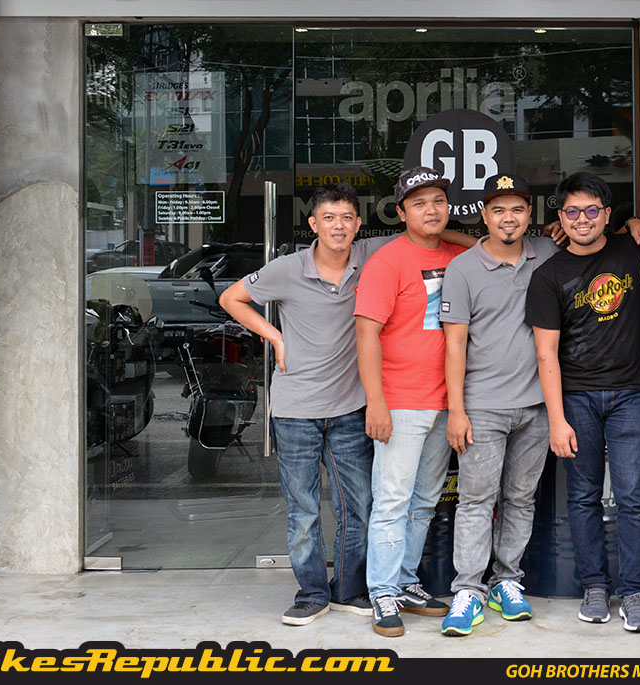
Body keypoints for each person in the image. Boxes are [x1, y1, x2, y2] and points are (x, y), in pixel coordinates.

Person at [215, 183, 378, 627]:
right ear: (314, 224)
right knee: (303, 511)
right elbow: (230, 298)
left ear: (357, 224)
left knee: (358, 507)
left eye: (346, 217)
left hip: (349, 408)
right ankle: (311, 593)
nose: (338, 226)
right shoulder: (287, 269)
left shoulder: (370, 257)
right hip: (295, 411)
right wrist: (274, 336)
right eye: (329, 218)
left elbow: (427, 235)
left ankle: (349, 589)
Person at [526, 172, 640, 633]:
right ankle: (595, 587)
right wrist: (556, 419)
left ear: (605, 214)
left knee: (634, 495)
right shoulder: (548, 276)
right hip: (576, 396)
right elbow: (545, 353)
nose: (582, 219)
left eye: (591, 210)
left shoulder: (633, 253)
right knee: (582, 496)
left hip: (631, 394)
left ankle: (635, 592)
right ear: (560, 218)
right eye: (572, 211)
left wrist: (637, 222)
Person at [437, 174, 558, 637]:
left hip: (537, 406)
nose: (509, 218)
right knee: (476, 500)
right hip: (482, 406)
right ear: (484, 216)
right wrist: (457, 410)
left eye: (518, 209)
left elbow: (592, 240)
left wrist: (633, 226)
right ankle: (468, 589)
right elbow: (454, 345)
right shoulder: (463, 269)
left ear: (530, 214)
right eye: (499, 210)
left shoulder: (546, 253)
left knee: (520, 499)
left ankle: (507, 581)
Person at [354, 165, 469, 638]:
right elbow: (366, 335)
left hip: (445, 400)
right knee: (392, 501)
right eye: (419, 203)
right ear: (401, 213)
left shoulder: (459, 256)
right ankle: (382, 591)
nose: (431, 210)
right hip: (400, 401)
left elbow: (487, 247)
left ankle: (405, 581)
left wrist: (448, 234)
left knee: (424, 501)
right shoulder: (387, 261)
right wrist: (375, 402)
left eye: (438, 201)